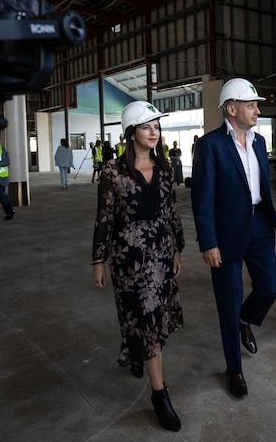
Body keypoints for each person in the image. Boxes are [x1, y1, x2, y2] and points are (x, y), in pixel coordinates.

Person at [190, 77, 276, 398]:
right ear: (231, 109)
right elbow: (202, 198)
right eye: (251, 105)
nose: (257, 110)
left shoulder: (259, 142)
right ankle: (234, 368)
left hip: (259, 225)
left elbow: (260, 186)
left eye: (256, 105)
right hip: (227, 233)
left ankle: (247, 319)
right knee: (227, 305)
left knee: (270, 287)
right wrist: (208, 241)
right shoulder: (210, 146)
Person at [92, 100, 185, 432]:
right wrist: (98, 260)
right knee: (147, 322)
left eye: (156, 127)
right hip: (130, 258)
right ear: (131, 133)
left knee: (152, 319)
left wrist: (177, 248)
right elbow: (104, 219)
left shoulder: (164, 169)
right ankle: (160, 396)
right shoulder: (112, 172)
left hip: (160, 252)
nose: (154, 132)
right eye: (147, 127)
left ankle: (136, 353)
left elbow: (171, 211)